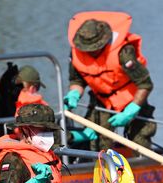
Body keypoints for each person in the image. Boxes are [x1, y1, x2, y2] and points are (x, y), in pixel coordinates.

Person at [64, 11, 156, 151]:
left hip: (132, 99)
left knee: (140, 139)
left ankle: (143, 168)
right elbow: (77, 80)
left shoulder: (124, 53)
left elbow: (145, 84)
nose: (89, 52)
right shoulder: (77, 53)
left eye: (93, 49)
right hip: (102, 101)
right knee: (97, 140)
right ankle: (100, 169)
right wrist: (74, 94)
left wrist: (132, 110)